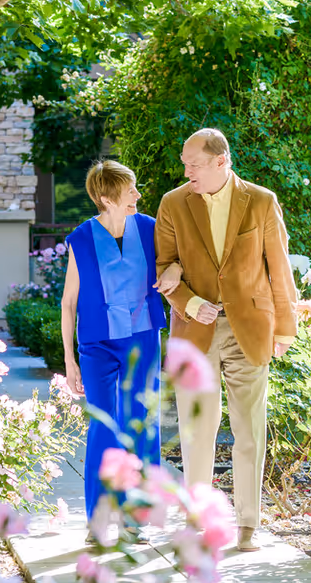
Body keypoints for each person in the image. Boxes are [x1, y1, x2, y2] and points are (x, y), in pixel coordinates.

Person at [155, 128, 299, 552]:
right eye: (185, 163)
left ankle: (248, 524)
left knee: (249, 430)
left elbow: (279, 267)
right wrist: (188, 300)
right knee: (197, 429)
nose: (186, 171)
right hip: (193, 329)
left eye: (193, 164)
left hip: (249, 328)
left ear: (221, 161)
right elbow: (165, 266)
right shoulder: (173, 203)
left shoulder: (260, 200)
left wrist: (285, 328)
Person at [60, 160, 182, 532]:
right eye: (130, 190)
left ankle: (138, 520)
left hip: (142, 338)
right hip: (96, 346)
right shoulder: (81, 239)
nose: (137, 195)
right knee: (104, 428)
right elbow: (68, 303)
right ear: (105, 198)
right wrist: (69, 360)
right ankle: (98, 519)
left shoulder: (149, 228)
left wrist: (174, 270)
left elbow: (175, 263)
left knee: (142, 425)